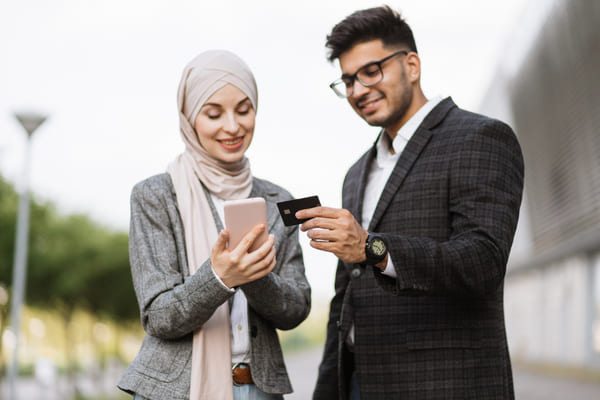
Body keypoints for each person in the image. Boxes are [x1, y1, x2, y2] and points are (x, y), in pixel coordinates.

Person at [297, 6, 524, 400]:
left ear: (412, 65)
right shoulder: (356, 172)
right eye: (348, 80)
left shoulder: (481, 138)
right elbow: (344, 299)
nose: (358, 91)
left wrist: (372, 247)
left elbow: (482, 260)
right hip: (358, 383)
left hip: (442, 385)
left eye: (371, 71)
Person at [117, 50, 311, 400]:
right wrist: (220, 277)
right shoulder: (155, 195)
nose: (233, 126)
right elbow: (158, 316)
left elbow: (296, 308)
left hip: (259, 388)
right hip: (176, 390)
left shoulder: (281, 200)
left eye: (243, 109)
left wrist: (256, 276)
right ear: (190, 118)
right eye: (213, 113)